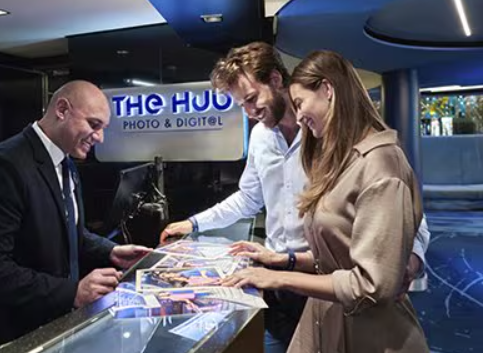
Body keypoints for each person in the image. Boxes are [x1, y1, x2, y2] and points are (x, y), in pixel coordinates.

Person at [159, 42, 430, 353]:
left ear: (276, 80)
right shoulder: (261, 136)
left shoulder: (332, 136)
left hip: (336, 284)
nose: (249, 113)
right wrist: (194, 224)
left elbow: (402, 213)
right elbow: (248, 198)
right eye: (241, 105)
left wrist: (408, 260)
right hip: (282, 275)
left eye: (252, 99)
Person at [0, 81, 152, 353]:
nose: (99, 137)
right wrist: (72, 292)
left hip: (40, 329)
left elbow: (69, 231)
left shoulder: (67, 164)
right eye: (94, 124)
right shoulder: (1, 165)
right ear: (62, 110)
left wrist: (112, 251)